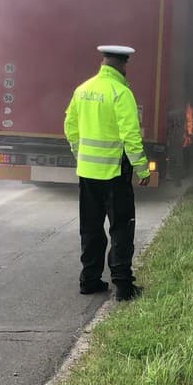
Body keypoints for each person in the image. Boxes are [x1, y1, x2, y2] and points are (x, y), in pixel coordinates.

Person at [64, 45, 151, 301]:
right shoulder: (120, 92)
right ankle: (123, 286)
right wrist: (142, 168)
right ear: (123, 65)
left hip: (87, 173)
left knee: (90, 228)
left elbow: (70, 127)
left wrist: (80, 154)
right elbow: (131, 136)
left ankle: (89, 280)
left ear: (103, 62)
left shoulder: (82, 90)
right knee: (121, 228)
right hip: (114, 174)